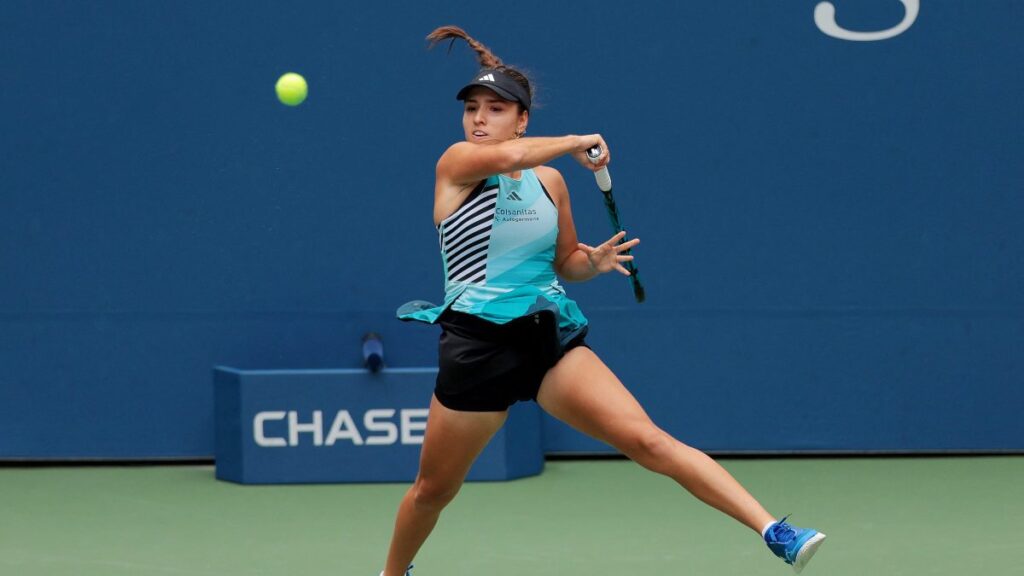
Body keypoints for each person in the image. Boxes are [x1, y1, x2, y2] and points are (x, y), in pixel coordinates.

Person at [382, 25, 826, 576]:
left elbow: (563, 259)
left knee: (647, 440)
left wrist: (590, 264)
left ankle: (774, 530)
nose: (478, 119)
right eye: (472, 107)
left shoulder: (550, 182)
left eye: (495, 109)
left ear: (521, 118)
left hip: (546, 339)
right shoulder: (457, 165)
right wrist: (575, 142)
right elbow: (508, 157)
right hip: (477, 346)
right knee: (433, 490)